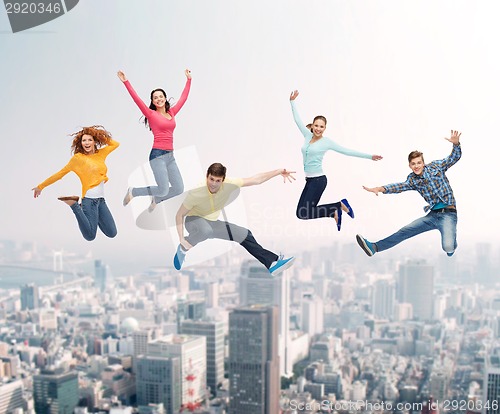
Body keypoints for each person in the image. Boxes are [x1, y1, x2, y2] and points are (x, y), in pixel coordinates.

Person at [174, 163, 296, 276]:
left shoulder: (230, 184)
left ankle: (271, 263)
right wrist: (181, 238)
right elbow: (179, 215)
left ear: (223, 180)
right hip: (193, 221)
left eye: (218, 181)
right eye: (211, 179)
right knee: (206, 231)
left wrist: (278, 171)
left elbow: (256, 179)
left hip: (212, 223)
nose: (214, 184)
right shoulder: (196, 192)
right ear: (207, 176)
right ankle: (184, 247)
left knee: (245, 234)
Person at [356, 130, 462, 257]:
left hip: (448, 214)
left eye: (418, 163)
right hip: (432, 215)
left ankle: (451, 245)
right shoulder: (413, 179)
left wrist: (456, 144)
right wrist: (380, 188)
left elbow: (453, 158)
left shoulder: (436, 166)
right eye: (413, 164)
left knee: (448, 247)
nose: (416, 166)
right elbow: (399, 187)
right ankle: (374, 247)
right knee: (405, 231)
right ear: (410, 166)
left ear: (423, 163)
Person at [289, 90, 382, 230]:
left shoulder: (326, 142)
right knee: (301, 213)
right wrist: (292, 102)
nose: (318, 129)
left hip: (318, 181)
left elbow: (347, 151)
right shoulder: (307, 136)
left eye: (321, 126)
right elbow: (297, 120)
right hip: (309, 180)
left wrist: (369, 156)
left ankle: (338, 206)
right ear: (312, 126)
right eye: (316, 126)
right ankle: (334, 211)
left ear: (325, 128)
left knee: (304, 212)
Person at [117, 69, 191, 212]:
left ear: (165, 98)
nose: (158, 99)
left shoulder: (172, 113)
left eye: (160, 96)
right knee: (163, 189)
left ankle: (157, 199)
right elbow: (136, 99)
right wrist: (126, 81)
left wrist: (188, 80)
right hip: (157, 156)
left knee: (179, 188)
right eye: (155, 98)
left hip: (170, 156)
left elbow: (184, 98)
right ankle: (134, 192)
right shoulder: (150, 114)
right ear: (152, 101)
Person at [32, 125, 119, 241]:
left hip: (101, 201)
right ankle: (74, 205)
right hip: (89, 200)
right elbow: (60, 173)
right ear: (80, 143)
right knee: (90, 236)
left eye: (89, 140)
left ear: (94, 142)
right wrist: (40, 186)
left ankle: (89, 217)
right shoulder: (78, 159)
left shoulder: (101, 154)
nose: (86, 143)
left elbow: (115, 144)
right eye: (84, 140)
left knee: (112, 233)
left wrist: (98, 134)